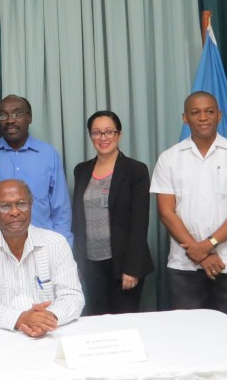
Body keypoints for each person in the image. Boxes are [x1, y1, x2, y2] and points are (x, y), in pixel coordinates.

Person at [151, 91, 227, 326]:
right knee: (189, 341)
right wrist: (199, 253)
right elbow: (166, 212)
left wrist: (206, 246)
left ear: (219, 115)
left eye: (209, 111)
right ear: (185, 118)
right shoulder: (169, 158)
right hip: (185, 265)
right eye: (195, 112)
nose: (203, 117)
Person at [0, 179, 84, 337]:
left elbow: (72, 295)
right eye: (5, 206)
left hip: (50, 333)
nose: (15, 212)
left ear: (31, 205)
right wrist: (19, 319)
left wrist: (48, 319)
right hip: (0, 338)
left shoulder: (56, 243)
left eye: (21, 204)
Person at [72, 110, 153, 315]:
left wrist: (132, 269)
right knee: (98, 321)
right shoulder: (81, 170)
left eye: (109, 132)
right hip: (92, 264)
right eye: (97, 133)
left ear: (119, 135)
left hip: (124, 265)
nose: (103, 138)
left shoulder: (136, 170)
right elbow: (78, 221)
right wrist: (78, 263)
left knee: (124, 324)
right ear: (90, 136)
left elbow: (139, 223)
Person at [0, 94, 72, 244]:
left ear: (29, 117)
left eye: (17, 114)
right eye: (3, 115)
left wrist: (63, 246)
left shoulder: (48, 154)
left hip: (44, 245)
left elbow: (61, 209)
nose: (10, 120)